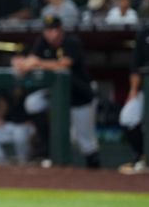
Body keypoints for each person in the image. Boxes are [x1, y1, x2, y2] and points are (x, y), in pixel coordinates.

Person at [12, 15, 101, 168]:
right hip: (57, 96)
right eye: (48, 30)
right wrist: (22, 64)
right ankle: (47, 145)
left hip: (80, 97)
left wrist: (37, 63)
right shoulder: (41, 42)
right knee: (33, 103)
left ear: (60, 30)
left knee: (85, 142)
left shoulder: (71, 42)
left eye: (54, 30)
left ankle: (95, 172)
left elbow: (64, 64)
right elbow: (30, 61)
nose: (51, 34)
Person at [118, 18, 149, 174]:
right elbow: (135, 66)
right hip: (147, 88)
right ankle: (141, 156)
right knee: (128, 116)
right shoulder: (144, 33)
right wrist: (133, 90)